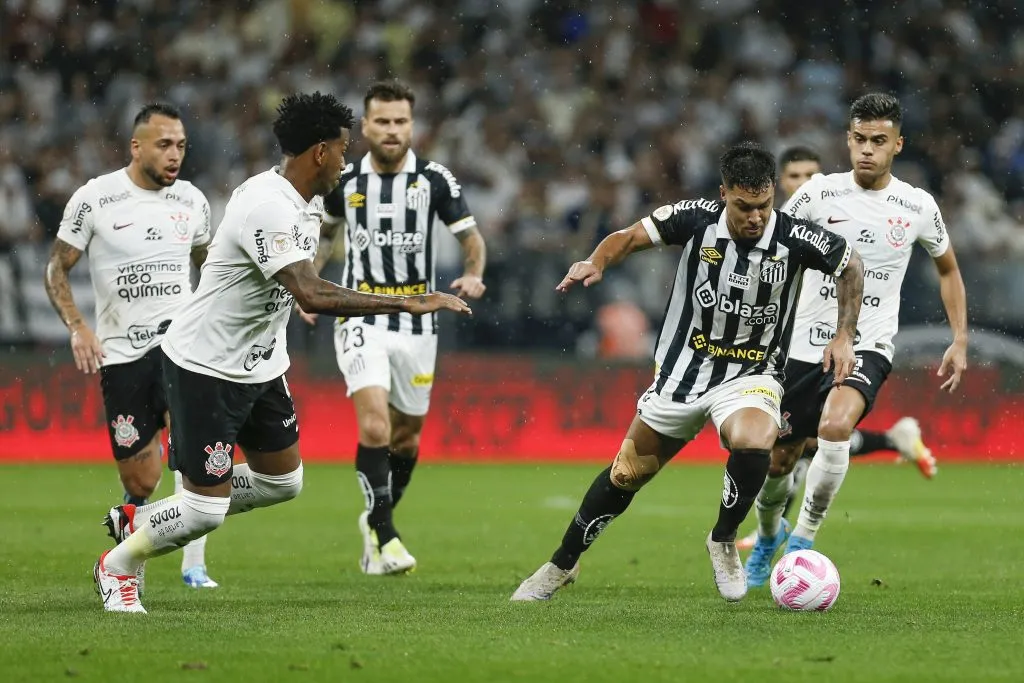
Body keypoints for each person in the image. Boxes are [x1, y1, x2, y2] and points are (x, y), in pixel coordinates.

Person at [92, 91, 472, 613]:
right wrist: (405, 304)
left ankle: (152, 516)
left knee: (283, 481)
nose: (347, 158)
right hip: (207, 365)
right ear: (320, 152)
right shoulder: (265, 204)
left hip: (261, 365)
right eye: (343, 149)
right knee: (205, 512)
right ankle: (118, 566)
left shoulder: (304, 202)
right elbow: (310, 291)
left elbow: (302, 279)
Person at [511, 142, 865, 603]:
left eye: (762, 206)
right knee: (624, 477)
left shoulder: (797, 238)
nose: (755, 217)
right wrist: (596, 260)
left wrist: (845, 334)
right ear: (723, 195)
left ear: (773, 195)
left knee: (755, 437)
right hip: (683, 373)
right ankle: (561, 564)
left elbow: (850, 265)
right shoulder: (696, 217)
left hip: (751, 374)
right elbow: (631, 236)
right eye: (742, 207)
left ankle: (722, 538)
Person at [744, 93, 968, 587]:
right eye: (860, 140)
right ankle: (765, 539)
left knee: (837, 425)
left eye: (879, 141)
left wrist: (959, 339)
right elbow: (772, 244)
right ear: (848, 140)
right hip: (801, 346)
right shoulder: (818, 194)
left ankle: (803, 540)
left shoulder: (916, 206)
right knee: (779, 458)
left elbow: (948, 269)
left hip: (869, 343)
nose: (868, 150)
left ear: (898, 145)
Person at [45, 102, 219, 590]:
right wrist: (78, 326)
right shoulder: (95, 198)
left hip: (183, 350)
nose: (175, 155)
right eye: (164, 145)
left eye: (181, 146)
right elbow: (57, 266)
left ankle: (193, 565)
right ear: (136, 146)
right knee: (142, 480)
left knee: (194, 455)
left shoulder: (192, 201)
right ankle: (131, 532)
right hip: (122, 357)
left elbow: (210, 266)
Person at [316, 80, 487, 575]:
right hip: (359, 312)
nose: (392, 130)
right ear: (364, 126)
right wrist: (307, 286)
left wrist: (473, 273)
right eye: (382, 121)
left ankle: (374, 521)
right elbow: (325, 236)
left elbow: (471, 238)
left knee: (406, 439)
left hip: (418, 323)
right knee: (375, 425)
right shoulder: (345, 180)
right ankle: (386, 535)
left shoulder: (434, 179)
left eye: (400, 122)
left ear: (412, 126)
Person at [735, 144, 936, 552]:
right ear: (779, 186)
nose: (804, 184)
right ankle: (893, 441)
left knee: (826, 434)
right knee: (784, 453)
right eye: (794, 178)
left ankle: (791, 541)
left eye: (811, 175)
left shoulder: (836, 218)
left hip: (849, 346)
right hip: (794, 350)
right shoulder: (780, 231)